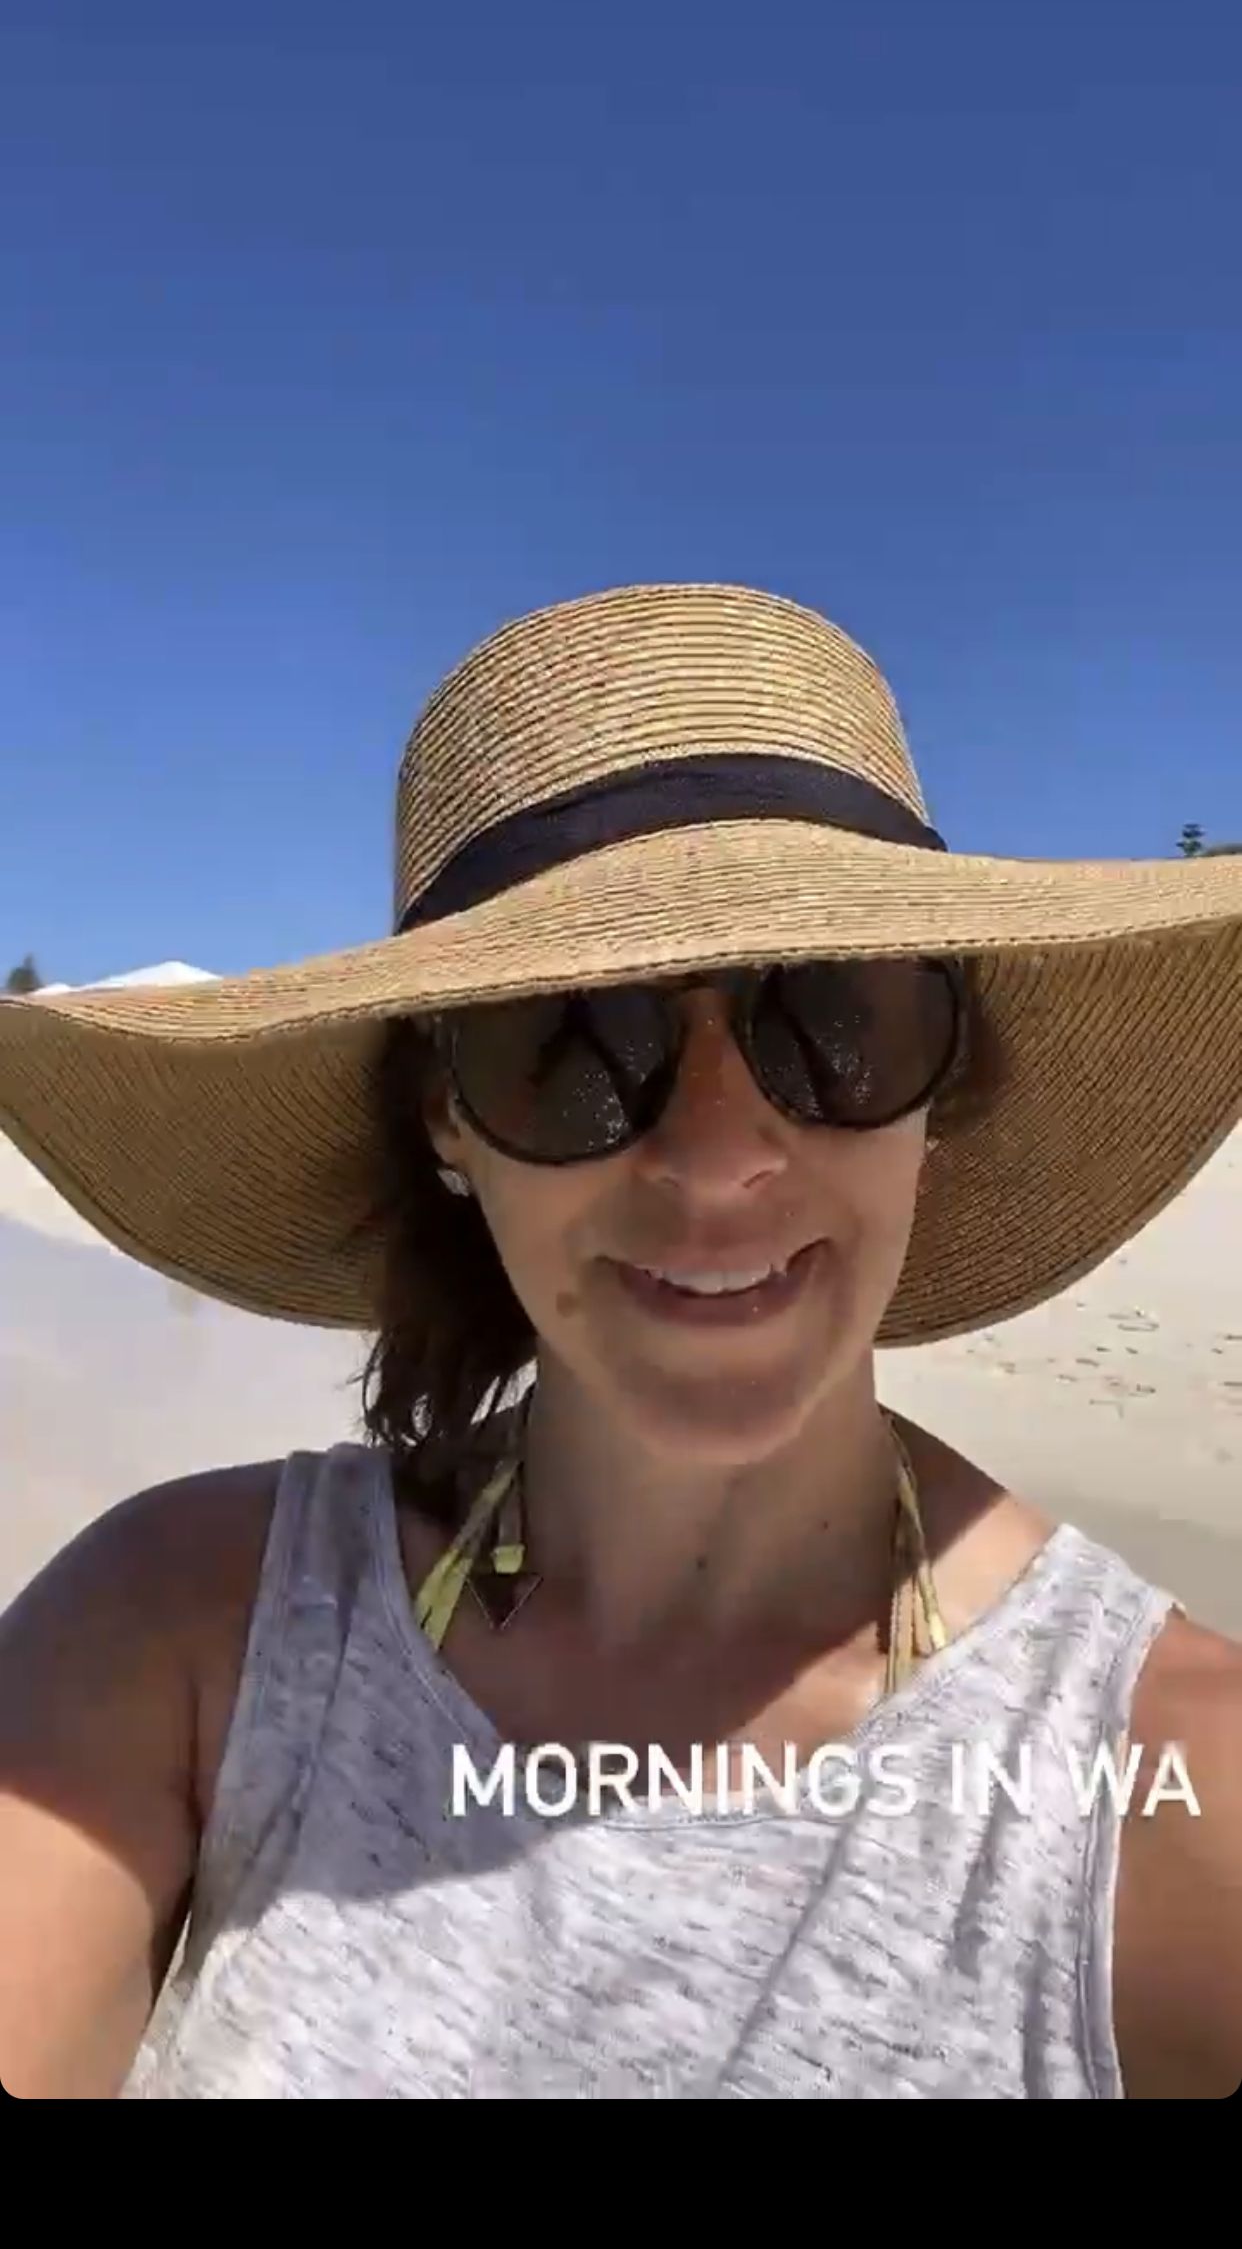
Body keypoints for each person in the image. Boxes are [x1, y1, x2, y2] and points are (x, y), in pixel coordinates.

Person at [1, 581, 1239, 2102]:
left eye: (833, 1022)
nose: (718, 1163)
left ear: (940, 1089)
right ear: (447, 1119)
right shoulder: (179, 1635)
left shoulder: (1166, 1784)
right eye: (572, 1041)